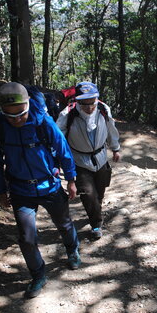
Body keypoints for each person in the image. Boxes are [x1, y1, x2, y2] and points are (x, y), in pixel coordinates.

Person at [0, 82, 80, 299]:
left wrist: (71, 180)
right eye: (10, 116)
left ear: (28, 105)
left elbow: (63, 150)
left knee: (64, 224)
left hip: (50, 184)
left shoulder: (43, 122)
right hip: (20, 189)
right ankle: (38, 275)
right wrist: (1, 191)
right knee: (26, 238)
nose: (16, 120)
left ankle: (72, 249)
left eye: (21, 114)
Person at [56, 81, 121, 240]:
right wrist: (57, 161)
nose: (89, 107)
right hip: (79, 160)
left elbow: (111, 128)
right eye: (84, 103)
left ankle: (95, 209)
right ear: (77, 101)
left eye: (92, 102)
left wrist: (115, 148)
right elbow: (57, 138)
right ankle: (96, 224)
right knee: (87, 193)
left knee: (100, 191)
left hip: (100, 157)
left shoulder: (103, 109)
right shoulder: (67, 114)